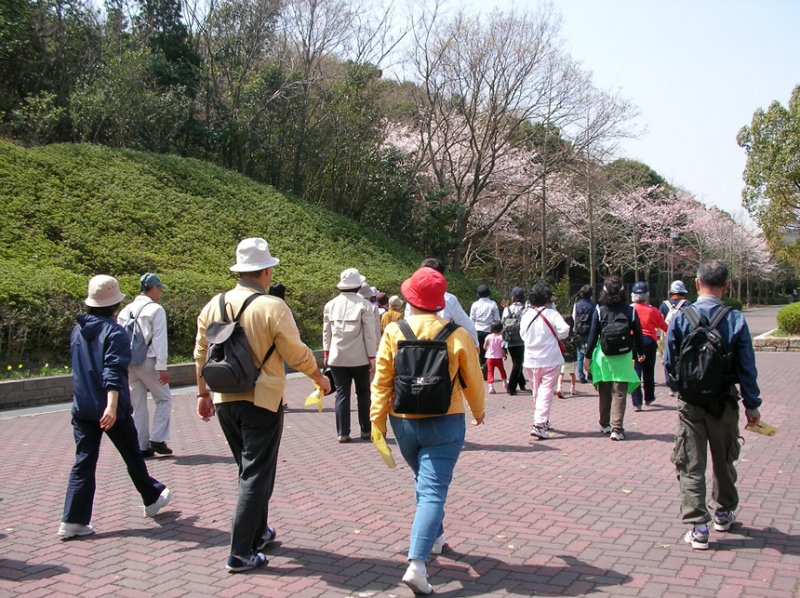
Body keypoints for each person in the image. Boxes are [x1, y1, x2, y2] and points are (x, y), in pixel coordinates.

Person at [194, 238, 331, 572]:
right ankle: (240, 552)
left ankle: (259, 533)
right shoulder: (272, 306)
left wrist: (203, 393)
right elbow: (295, 352)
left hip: (226, 396)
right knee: (256, 473)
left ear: (240, 271)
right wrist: (319, 377)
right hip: (263, 399)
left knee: (249, 470)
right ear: (266, 271)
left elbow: (200, 352)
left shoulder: (214, 304)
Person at [370, 267, 485, 595]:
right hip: (445, 420)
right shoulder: (457, 334)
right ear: (440, 302)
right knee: (433, 489)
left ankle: (435, 537)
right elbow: (473, 380)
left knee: (425, 481)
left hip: (402, 421)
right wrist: (478, 411)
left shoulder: (394, 331)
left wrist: (376, 422)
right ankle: (417, 564)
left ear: (409, 298)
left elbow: (381, 382)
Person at [59, 275, 171, 540]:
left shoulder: (78, 330)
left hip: (82, 406)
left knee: (84, 462)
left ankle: (73, 520)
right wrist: (111, 406)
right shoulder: (114, 332)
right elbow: (112, 370)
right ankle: (152, 496)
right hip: (111, 407)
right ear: (114, 304)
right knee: (131, 454)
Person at [664, 260, 762, 551]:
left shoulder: (682, 317)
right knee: (724, 459)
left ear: (696, 284)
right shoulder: (734, 319)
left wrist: (679, 389)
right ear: (726, 286)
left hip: (690, 403)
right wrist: (752, 405)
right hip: (724, 401)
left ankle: (698, 527)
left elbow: (669, 362)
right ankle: (723, 511)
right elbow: (747, 367)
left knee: (691, 462)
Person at [117, 273, 173, 458]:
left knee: (137, 404)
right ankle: (157, 439)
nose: (160, 294)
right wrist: (162, 366)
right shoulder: (156, 309)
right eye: (159, 290)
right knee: (164, 399)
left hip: (129, 362)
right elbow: (159, 339)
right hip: (149, 361)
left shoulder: (125, 311)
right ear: (154, 288)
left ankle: (141, 445)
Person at [584, 276, 645, 441]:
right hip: (623, 356)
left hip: (603, 357)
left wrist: (587, 357)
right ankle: (617, 429)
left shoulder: (599, 310)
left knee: (604, 391)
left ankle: (605, 424)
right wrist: (640, 351)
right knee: (620, 392)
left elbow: (592, 335)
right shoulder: (630, 310)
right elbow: (638, 333)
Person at [323, 269, 379, 443]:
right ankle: (365, 430)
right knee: (363, 393)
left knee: (341, 394)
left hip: (337, 357)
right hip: (360, 357)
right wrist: (372, 357)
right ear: (359, 286)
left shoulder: (330, 305)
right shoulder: (365, 306)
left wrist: (326, 353)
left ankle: (343, 432)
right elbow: (370, 334)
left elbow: (326, 332)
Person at [520, 281, 570, 440]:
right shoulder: (552, 314)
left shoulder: (526, 315)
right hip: (550, 359)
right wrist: (555, 335)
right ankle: (539, 424)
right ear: (548, 299)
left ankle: (541, 420)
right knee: (546, 392)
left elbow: (522, 335)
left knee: (537, 391)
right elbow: (565, 330)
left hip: (530, 359)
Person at [404, 258, 479, 349]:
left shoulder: (412, 299)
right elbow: (467, 325)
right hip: (442, 350)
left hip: (416, 348)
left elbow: (407, 323)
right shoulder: (449, 299)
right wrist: (475, 344)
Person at [630, 282, 667, 411]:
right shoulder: (653, 311)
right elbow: (664, 326)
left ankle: (636, 402)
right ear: (647, 295)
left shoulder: (629, 310)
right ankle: (649, 397)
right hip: (649, 342)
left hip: (633, 341)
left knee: (635, 372)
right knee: (649, 371)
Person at [501, 287, 528, 395]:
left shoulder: (507, 309)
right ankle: (511, 387)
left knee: (516, 361)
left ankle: (522, 383)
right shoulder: (525, 310)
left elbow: (503, 322)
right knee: (518, 363)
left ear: (513, 297)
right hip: (521, 339)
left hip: (509, 339)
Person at [470, 284, 501, 378]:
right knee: (490, 352)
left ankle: (482, 370)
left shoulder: (475, 304)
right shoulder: (493, 304)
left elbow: (471, 319)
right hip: (489, 331)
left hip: (477, 330)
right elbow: (497, 319)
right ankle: (485, 367)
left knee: (480, 352)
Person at [571, 285, 596, 384]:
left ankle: (581, 376)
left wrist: (574, 330)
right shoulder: (594, 306)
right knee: (592, 354)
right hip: (591, 332)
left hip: (580, 332)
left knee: (580, 355)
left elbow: (574, 318)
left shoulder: (577, 305)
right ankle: (591, 373)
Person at [556, 315, 579, 398]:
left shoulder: (560, 335)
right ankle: (572, 389)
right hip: (572, 357)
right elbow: (580, 346)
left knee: (561, 374)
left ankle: (559, 388)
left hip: (561, 357)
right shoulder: (575, 336)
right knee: (572, 373)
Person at [483, 320, 507, 394]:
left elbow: (484, 346)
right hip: (498, 357)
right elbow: (502, 348)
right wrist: (504, 355)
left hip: (490, 357)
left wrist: (488, 350)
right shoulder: (501, 337)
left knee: (490, 371)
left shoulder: (488, 336)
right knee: (502, 370)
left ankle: (491, 387)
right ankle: (505, 382)